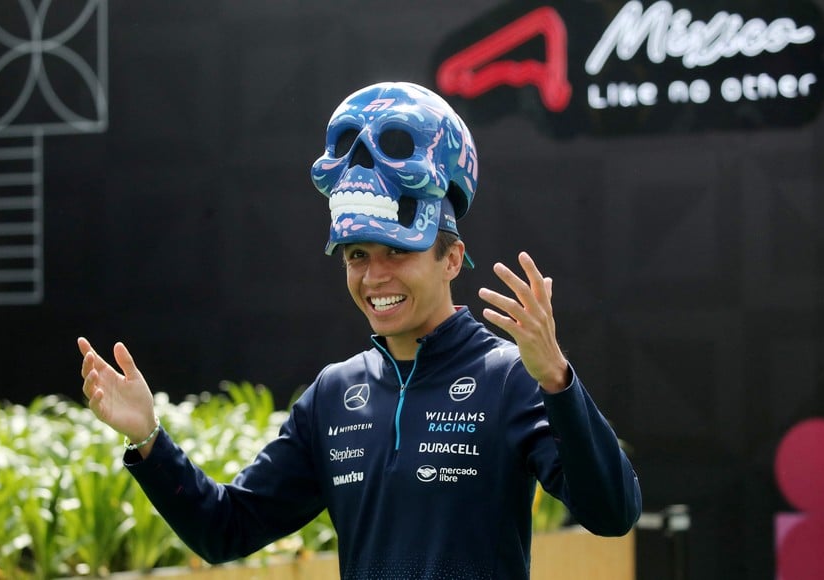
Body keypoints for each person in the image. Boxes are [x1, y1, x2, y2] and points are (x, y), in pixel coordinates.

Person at [79, 81, 641, 579]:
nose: (374, 277)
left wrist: (558, 381)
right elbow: (226, 529)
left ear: (451, 259)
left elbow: (612, 514)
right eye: (355, 256)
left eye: (397, 252)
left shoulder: (510, 377)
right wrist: (149, 441)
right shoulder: (332, 395)